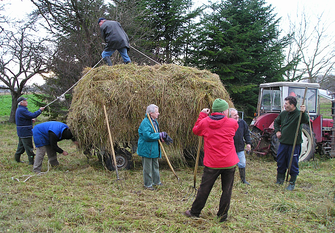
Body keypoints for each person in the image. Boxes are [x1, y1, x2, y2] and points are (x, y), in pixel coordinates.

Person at [185, 98, 239, 222]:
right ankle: (222, 216)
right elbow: (233, 130)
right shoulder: (232, 123)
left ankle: (194, 212)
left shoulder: (205, 122)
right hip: (229, 163)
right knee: (227, 190)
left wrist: (203, 114)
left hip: (212, 163)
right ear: (224, 111)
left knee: (204, 188)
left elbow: (196, 130)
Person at [274, 96, 308, 191]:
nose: (284, 105)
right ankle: (280, 179)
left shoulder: (299, 114)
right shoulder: (284, 114)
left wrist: (303, 112)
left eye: (286, 104)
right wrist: (277, 131)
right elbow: (276, 122)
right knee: (280, 161)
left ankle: (292, 183)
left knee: (292, 163)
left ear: (292, 105)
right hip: (283, 142)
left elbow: (306, 120)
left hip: (294, 144)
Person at [136, 104, 172, 190]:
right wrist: (159, 135)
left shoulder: (154, 122)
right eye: (157, 112)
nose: (158, 113)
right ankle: (148, 184)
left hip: (154, 149)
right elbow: (147, 136)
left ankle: (156, 182)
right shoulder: (146, 122)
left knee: (155, 166)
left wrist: (161, 138)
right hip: (147, 149)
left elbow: (154, 134)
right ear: (151, 113)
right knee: (147, 168)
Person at [15, 97, 45, 164]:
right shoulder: (22, 110)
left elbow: (23, 118)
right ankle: (31, 162)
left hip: (22, 131)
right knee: (29, 147)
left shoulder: (20, 109)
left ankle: (17, 159)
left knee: (21, 147)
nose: (27, 102)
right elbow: (32, 115)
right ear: (21, 103)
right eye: (25, 101)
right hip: (25, 131)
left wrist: (30, 120)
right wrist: (40, 110)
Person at [229, 108, 252, 185]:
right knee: (230, 165)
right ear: (230, 116)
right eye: (235, 115)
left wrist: (248, 143)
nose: (237, 116)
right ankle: (229, 181)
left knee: (242, 163)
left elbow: (246, 134)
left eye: (237, 114)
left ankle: (243, 180)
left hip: (240, 147)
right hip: (230, 148)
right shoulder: (227, 123)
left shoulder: (242, 123)